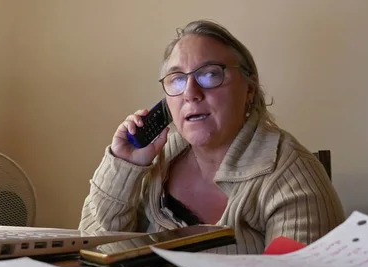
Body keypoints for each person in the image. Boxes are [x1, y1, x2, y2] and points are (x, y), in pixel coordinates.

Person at [79, 20, 345, 254]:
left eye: (209, 74)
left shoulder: (291, 173)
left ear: (249, 90)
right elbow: (94, 246)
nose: (191, 93)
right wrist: (125, 166)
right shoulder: (154, 159)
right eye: (177, 79)